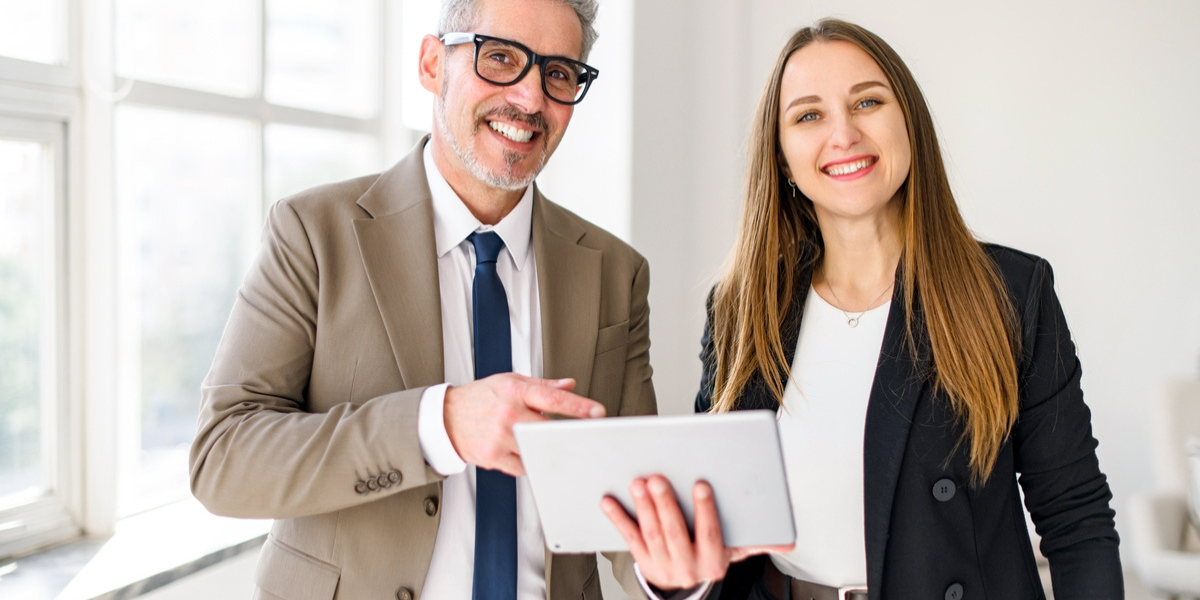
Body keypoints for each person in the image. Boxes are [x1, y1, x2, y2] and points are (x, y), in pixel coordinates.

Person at [603, 18, 1122, 600]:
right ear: (782, 159)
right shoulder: (740, 311)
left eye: (867, 102)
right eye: (808, 115)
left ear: (908, 122)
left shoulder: (1009, 292)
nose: (843, 134)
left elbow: (1077, 523)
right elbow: (712, 530)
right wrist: (675, 580)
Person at [188, 0, 658, 598]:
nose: (531, 99)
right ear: (433, 64)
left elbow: (629, 488)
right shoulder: (313, 231)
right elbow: (222, 458)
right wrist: (439, 423)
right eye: (501, 57)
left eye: (559, 73)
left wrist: (664, 576)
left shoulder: (616, 273)